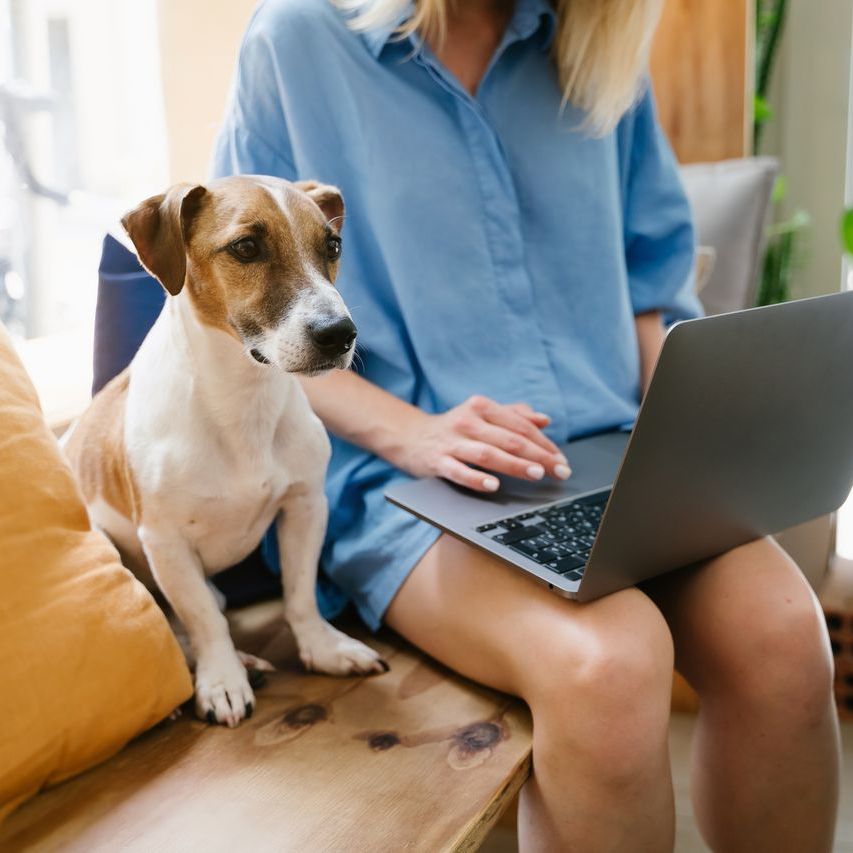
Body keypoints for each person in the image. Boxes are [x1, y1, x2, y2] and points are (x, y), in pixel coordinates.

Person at [212, 1, 840, 848]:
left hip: (615, 457)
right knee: (607, 665)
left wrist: (689, 436)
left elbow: (650, 281)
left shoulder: (596, 50)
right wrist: (413, 432)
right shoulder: (297, 41)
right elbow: (246, 326)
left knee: (784, 636)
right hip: (408, 483)